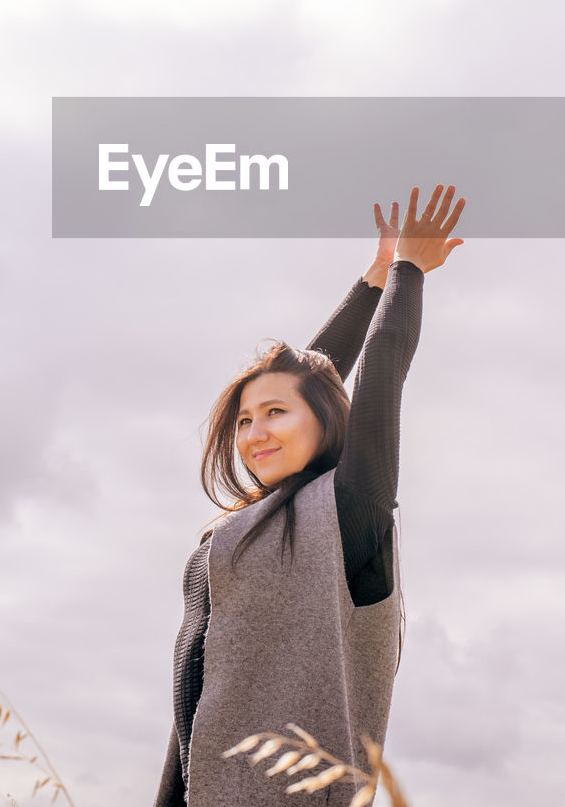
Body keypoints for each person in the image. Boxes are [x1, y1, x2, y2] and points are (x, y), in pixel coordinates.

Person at [153, 185, 466, 807]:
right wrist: (370, 280)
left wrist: (408, 271)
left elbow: (380, 371)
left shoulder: (352, 513)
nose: (255, 432)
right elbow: (194, 698)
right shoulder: (240, 532)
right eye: (244, 419)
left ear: (327, 420)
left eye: (273, 414)